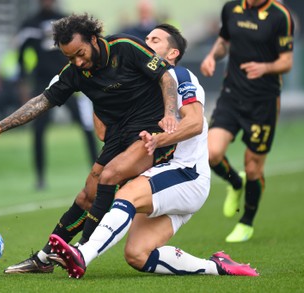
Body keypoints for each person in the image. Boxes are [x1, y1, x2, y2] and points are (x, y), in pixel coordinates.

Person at [0, 13, 178, 274]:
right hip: (118, 135)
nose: (78, 61)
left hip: (152, 133)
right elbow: (42, 101)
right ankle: (44, 259)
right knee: (87, 196)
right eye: (70, 57)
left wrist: (170, 114)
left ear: (93, 39)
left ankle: (82, 251)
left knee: (109, 176)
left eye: (80, 53)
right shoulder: (75, 72)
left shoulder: (125, 47)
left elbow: (167, 77)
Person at [48, 24, 259, 279]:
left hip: (186, 173)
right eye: (146, 38)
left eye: (155, 40)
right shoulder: (140, 84)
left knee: (124, 195)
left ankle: (83, 253)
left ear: (172, 54)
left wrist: (160, 140)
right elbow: (104, 133)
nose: (146, 43)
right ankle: (217, 266)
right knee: (137, 254)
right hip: (168, 182)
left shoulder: (179, 76)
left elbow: (195, 123)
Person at [200, 0, 294, 242]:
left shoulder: (280, 16)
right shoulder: (231, 8)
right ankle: (235, 181)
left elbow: (286, 61)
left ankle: (246, 222)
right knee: (211, 153)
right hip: (232, 96)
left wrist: (265, 67)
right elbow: (224, 42)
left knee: (253, 167)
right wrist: (212, 56)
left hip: (263, 102)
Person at [16, 0, 98, 190]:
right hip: (42, 83)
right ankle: (40, 178)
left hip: (69, 80)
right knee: (38, 130)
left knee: (86, 125)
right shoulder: (30, 23)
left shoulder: (66, 20)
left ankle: (97, 171)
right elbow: (21, 56)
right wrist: (22, 84)